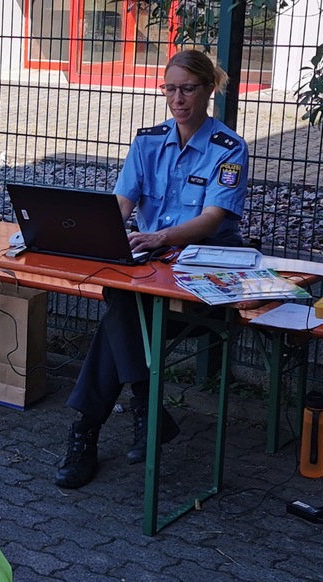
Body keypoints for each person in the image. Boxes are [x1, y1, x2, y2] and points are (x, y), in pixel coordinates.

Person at [55, 50, 250, 490]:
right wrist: (99, 232)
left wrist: (160, 238)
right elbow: (122, 206)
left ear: (208, 90)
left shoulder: (229, 147)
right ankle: (146, 410)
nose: (177, 99)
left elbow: (213, 218)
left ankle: (88, 435)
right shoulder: (147, 142)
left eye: (187, 89)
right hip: (149, 276)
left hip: (201, 287)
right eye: (169, 89)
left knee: (119, 304)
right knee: (122, 296)